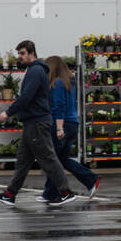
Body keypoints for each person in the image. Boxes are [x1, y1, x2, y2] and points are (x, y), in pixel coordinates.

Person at [0, 40, 76, 206]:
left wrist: (7, 113)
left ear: (31, 53)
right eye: (19, 54)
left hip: (37, 123)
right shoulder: (34, 70)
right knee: (23, 162)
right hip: (32, 123)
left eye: (22, 53)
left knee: (48, 158)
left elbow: (26, 97)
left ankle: (66, 192)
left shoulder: (36, 71)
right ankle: (9, 195)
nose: (20, 57)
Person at [40, 55, 100, 202]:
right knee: (60, 159)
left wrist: (59, 128)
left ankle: (89, 179)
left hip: (62, 124)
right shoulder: (69, 83)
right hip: (72, 123)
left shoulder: (57, 83)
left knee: (54, 159)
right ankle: (50, 193)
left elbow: (59, 106)